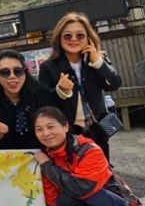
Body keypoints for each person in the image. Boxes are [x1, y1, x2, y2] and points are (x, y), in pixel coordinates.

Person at [38, 12, 122, 160]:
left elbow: (114, 84)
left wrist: (98, 63)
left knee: (101, 170)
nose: (74, 39)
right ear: (59, 38)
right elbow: (43, 102)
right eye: (67, 36)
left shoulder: (98, 58)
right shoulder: (48, 67)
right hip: (68, 134)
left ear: (88, 37)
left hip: (98, 130)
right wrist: (60, 90)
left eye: (80, 35)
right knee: (74, 172)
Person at [0, 50, 51, 150]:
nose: (12, 76)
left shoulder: (40, 93)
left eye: (18, 71)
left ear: (25, 73)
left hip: (40, 152)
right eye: (5, 72)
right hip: (3, 155)